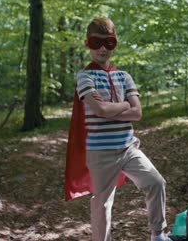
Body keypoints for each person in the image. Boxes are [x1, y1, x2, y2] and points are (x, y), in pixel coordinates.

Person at [65, 17, 169, 241]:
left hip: (128, 148)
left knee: (156, 182)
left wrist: (112, 108)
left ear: (115, 44)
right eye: (96, 43)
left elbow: (138, 113)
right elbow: (100, 109)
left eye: (108, 43)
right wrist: (123, 105)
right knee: (103, 203)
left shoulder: (124, 76)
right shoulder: (84, 77)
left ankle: (158, 234)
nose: (102, 48)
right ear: (88, 44)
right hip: (100, 152)